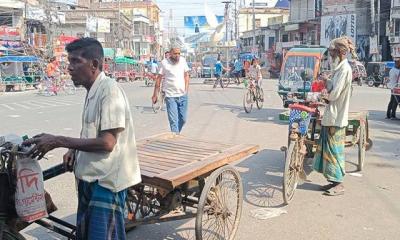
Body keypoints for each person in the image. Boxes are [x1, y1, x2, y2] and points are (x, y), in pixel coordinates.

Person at [23, 38, 141, 240]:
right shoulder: (93, 90)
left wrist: (58, 141)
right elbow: (90, 129)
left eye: (76, 62)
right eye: (69, 62)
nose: (69, 68)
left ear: (94, 64)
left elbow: (107, 142)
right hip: (89, 177)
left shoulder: (109, 90)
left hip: (106, 181)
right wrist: (73, 150)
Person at [313, 36, 356, 196]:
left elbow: (335, 94)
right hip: (332, 115)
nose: (331, 58)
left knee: (335, 152)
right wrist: (327, 81)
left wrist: (325, 95)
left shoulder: (345, 70)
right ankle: (332, 181)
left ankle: (339, 184)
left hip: (337, 117)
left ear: (341, 53)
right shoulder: (339, 69)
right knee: (328, 150)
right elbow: (333, 87)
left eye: (332, 55)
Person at [152, 47, 190, 134]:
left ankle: (176, 134)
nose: (177, 56)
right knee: (173, 121)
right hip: (170, 96)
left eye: (179, 54)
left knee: (183, 119)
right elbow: (159, 79)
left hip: (183, 95)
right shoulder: (164, 63)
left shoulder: (183, 61)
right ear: (170, 53)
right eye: (175, 54)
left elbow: (186, 75)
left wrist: (186, 89)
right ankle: (175, 138)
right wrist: (155, 94)